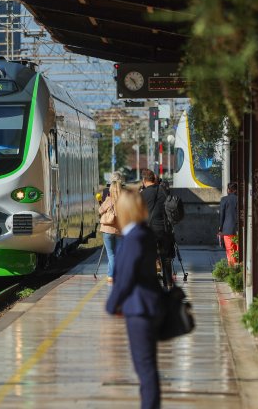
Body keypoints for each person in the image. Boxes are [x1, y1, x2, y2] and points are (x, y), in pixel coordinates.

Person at [106, 188, 163, 409]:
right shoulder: (144, 233)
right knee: (147, 365)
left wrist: (112, 304)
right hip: (147, 305)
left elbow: (126, 276)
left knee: (144, 367)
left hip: (140, 308)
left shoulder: (134, 238)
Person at [140, 169, 173, 284]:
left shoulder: (143, 194)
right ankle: (168, 283)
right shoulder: (164, 191)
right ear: (154, 179)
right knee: (166, 258)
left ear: (144, 180)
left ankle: (153, 283)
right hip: (164, 228)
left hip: (149, 230)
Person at [99, 171, 124, 283]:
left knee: (111, 254)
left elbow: (100, 210)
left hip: (107, 230)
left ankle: (111, 275)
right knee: (117, 254)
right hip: (119, 230)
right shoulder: (124, 200)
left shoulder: (109, 199)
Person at [219, 182, 239, 266]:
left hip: (227, 229)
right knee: (238, 249)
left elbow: (222, 215)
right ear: (236, 190)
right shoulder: (239, 199)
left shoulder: (224, 199)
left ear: (228, 190)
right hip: (238, 229)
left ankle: (232, 268)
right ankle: (239, 266)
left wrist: (220, 229)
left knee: (230, 249)